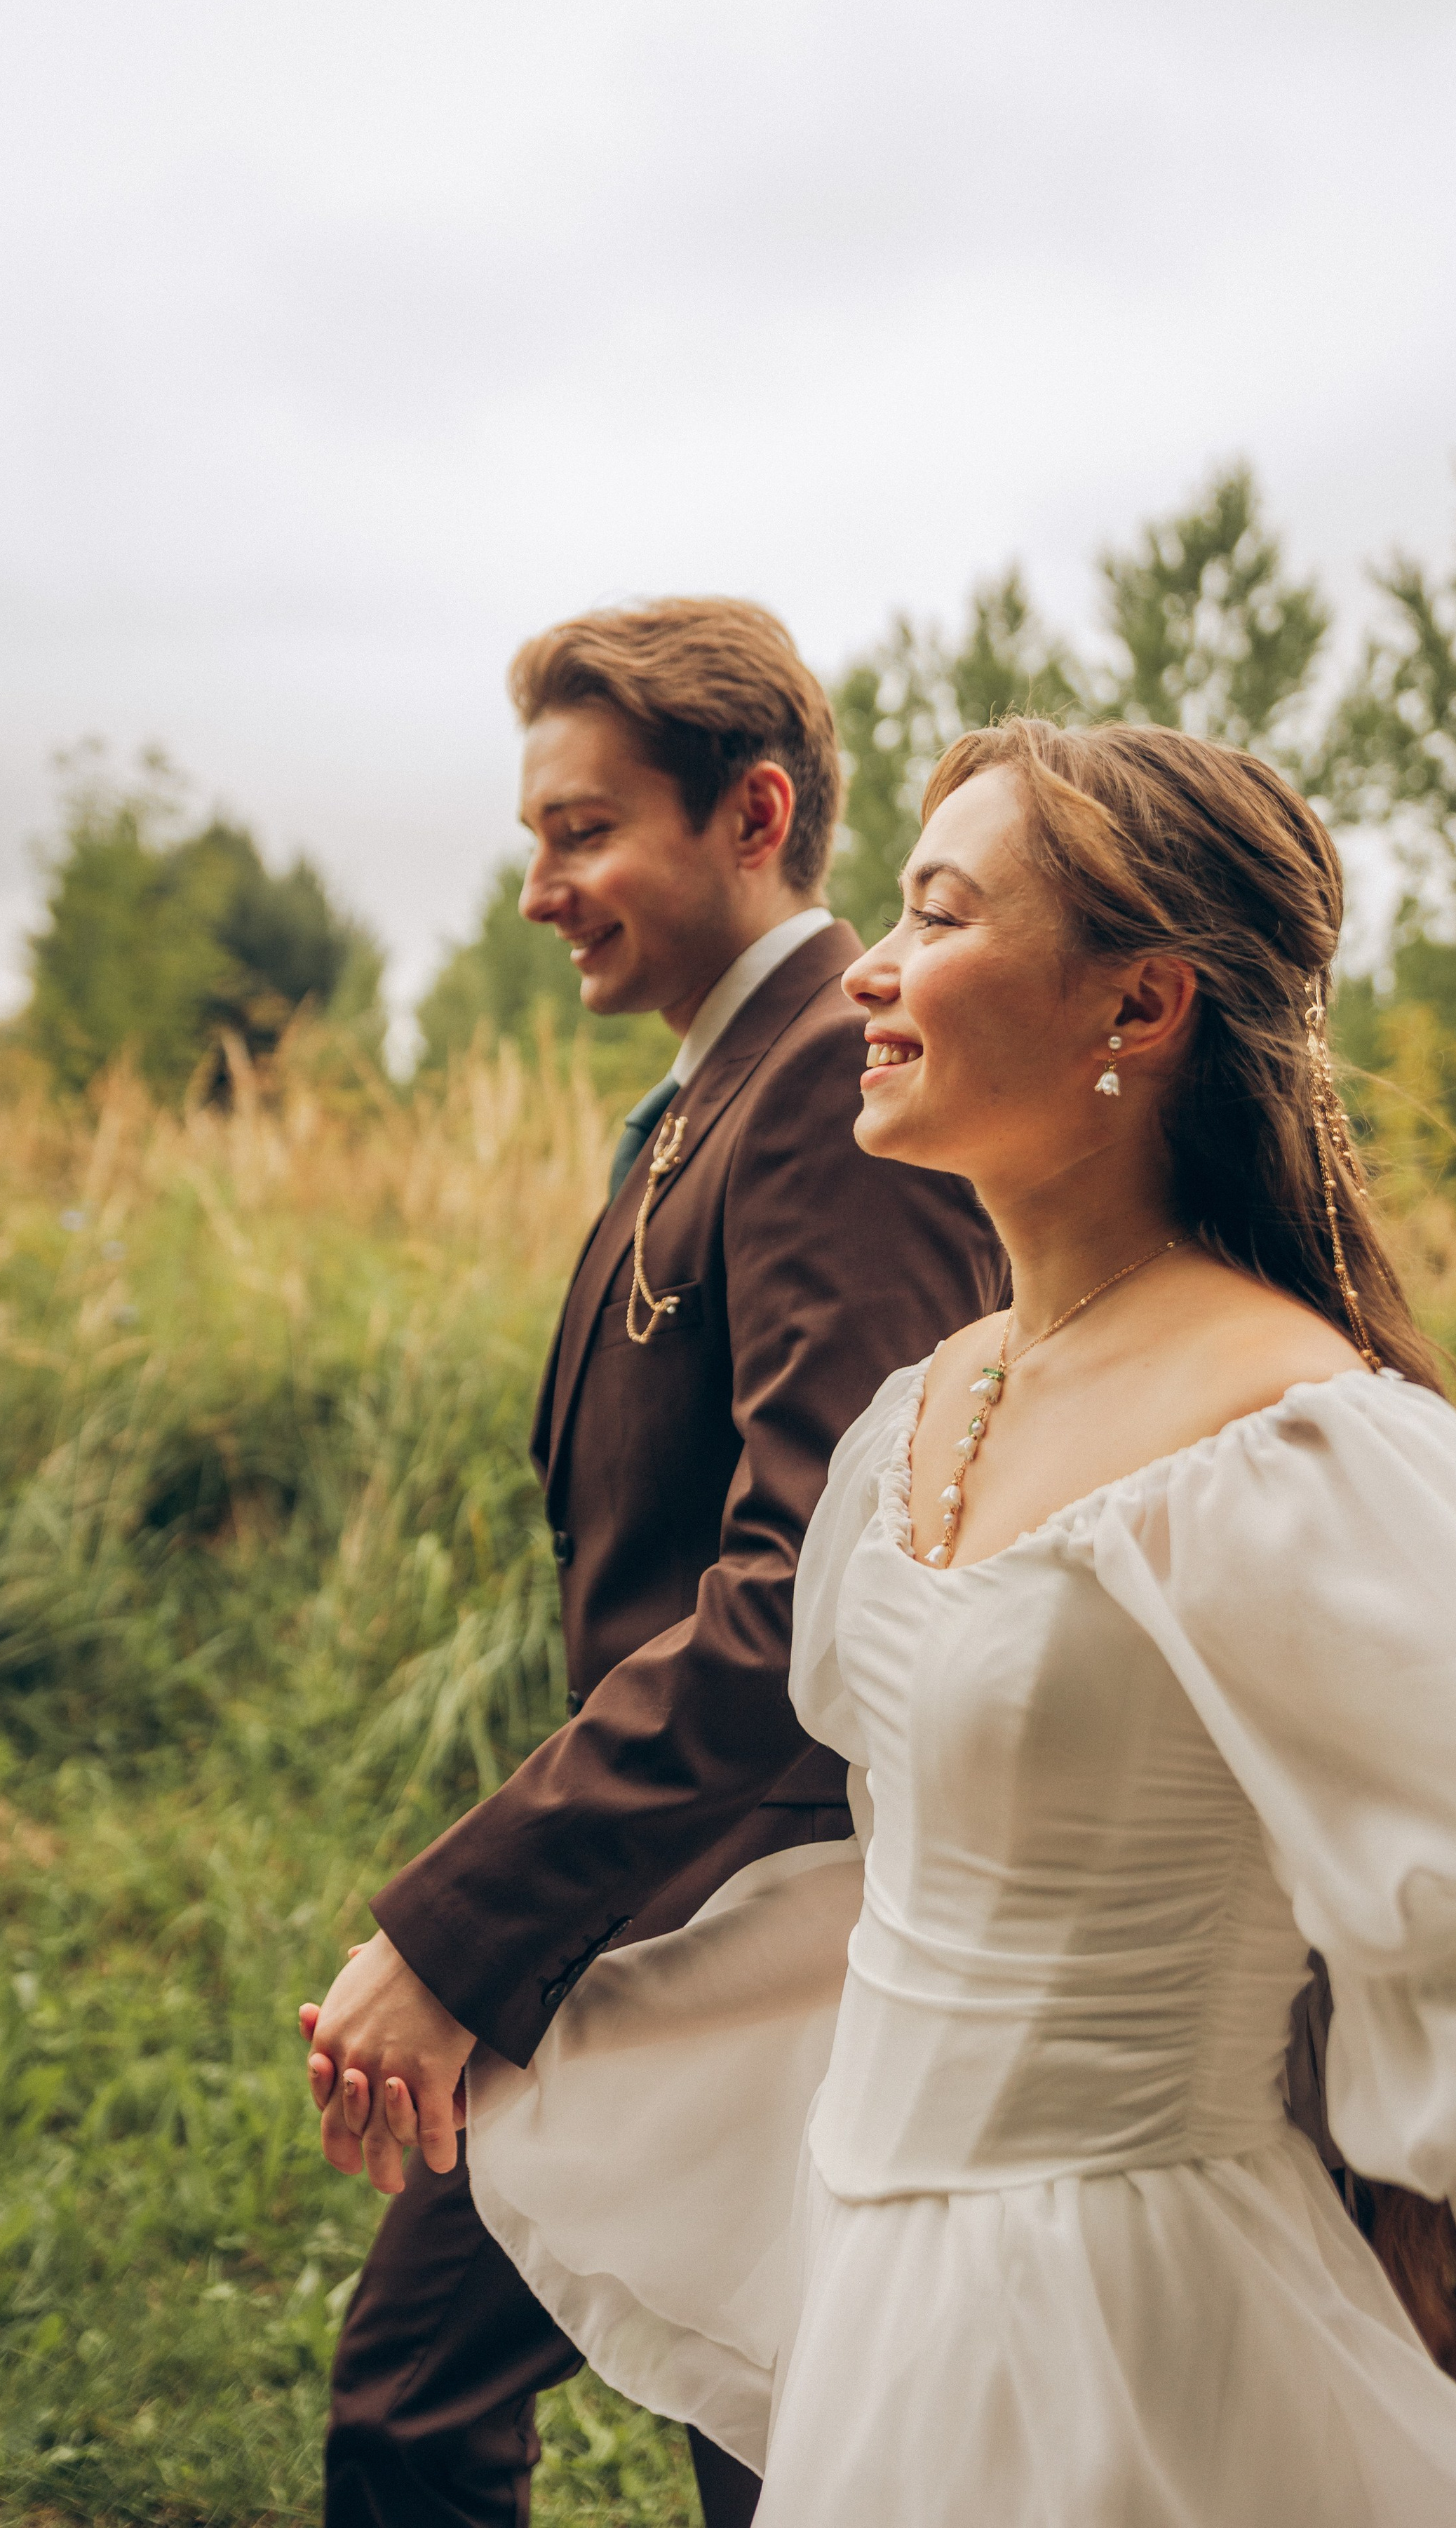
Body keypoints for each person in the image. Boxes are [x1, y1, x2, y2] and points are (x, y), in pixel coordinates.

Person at [447, 717, 1456, 2524]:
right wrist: (527, 2006)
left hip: (1136, 2326)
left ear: (1137, 1009)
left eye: (938, 916)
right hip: (889, 2309)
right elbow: (920, 1899)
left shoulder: (1300, 1445)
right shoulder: (919, 1412)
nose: (870, 964)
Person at [304, 599, 1006, 2527]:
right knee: (774, 2421)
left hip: (742, 1900)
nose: (541, 886)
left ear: (753, 810)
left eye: (580, 830)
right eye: (540, 834)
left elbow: (807, 1587)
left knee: (423, 2398)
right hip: (680, 1877)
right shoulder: (729, 1080)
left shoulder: (833, 1091)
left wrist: (473, 1929)